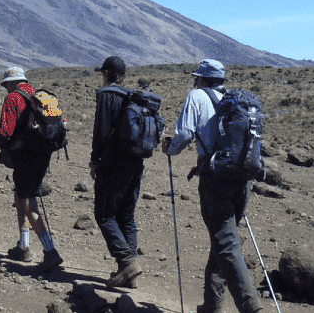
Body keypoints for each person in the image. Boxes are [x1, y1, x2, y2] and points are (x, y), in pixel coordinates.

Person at [163, 59, 263, 313]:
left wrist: (170, 149)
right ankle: (212, 304)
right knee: (222, 240)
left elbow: (185, 134)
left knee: (226, 243)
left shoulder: (196, 95)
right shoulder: (234, 101)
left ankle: (252, 308)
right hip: (242, 179)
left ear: (200, 78)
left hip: (215, 177)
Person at [0, 67, 63, 272]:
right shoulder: (36, 94)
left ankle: (50, 252)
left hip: (25, 157)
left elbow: (4, 132)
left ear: (12, 83)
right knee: (20, 195)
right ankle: (23, 246)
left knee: (30, 203)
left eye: (6, 85)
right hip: (42, 155)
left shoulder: (14, 98)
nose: (6, 89)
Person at [89, 55, 145, 287]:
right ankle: (128, 274)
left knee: (104, 215)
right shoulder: (133, 97)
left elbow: (101, 132)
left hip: (113, 164)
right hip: (135, 163)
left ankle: (126, 261)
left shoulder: (107, 95)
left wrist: (95, 159)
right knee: (126, 216)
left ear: (106, 74)